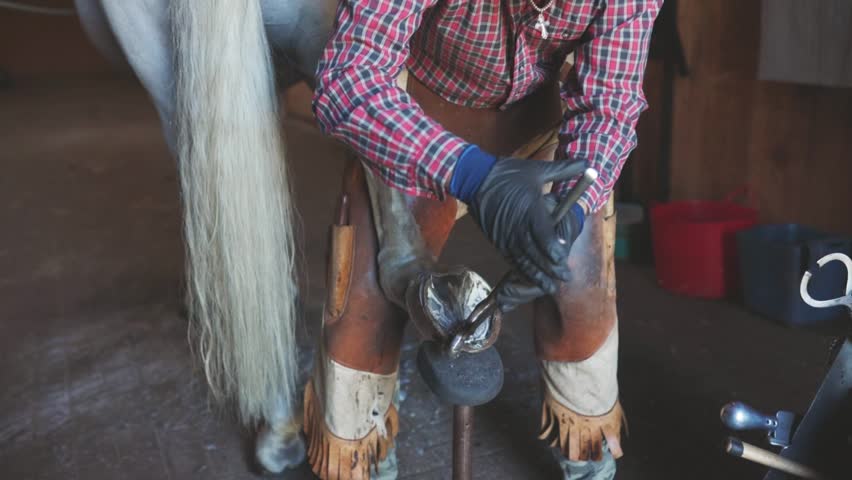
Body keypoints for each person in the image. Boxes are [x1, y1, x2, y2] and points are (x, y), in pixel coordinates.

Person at [306, 1, 662, 479]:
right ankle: (365, 459)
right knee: (363, 308)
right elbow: (347, 80)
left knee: (580, 285)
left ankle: (589, 461)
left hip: (541, 129)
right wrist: (474, 175)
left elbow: (610, 106)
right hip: (419, 117)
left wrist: (573, 209)